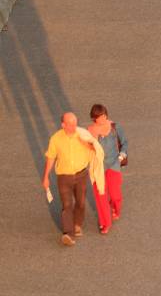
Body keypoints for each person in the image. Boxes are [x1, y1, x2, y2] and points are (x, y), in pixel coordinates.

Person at [42, 112, 98, 245]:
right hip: (64, 177)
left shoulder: (83, 134)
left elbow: (95, 149)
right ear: (63, 125)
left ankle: (77, 224)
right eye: (71, 124)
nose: (74, 126)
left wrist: (85, 144)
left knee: (81, 202)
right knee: (67, 205)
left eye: (75, 123)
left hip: (81, 175)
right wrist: (45, 177)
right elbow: (50, 157)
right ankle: (68, 233)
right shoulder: (55, 139)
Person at [87, 104, 127, 234]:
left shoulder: (115, 127)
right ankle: (105, 223)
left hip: (114, 163)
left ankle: (115, 208)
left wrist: (122, 154)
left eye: (104, 115)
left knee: (115, 195)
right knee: (101, 196)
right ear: (94, 118)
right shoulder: (90, 130)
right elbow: (87, 148)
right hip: (98, 167)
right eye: (99, 117)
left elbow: (124, 142)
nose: (103, 118)